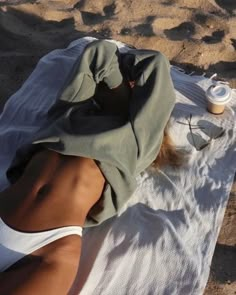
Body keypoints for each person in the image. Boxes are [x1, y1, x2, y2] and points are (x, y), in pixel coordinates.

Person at [0, 39, 181, 294]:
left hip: (45, 248)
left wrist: (122, 94)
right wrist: (118, 83)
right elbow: (97, 53)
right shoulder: (70, 112)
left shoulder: (136, 139)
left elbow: (155, 65)